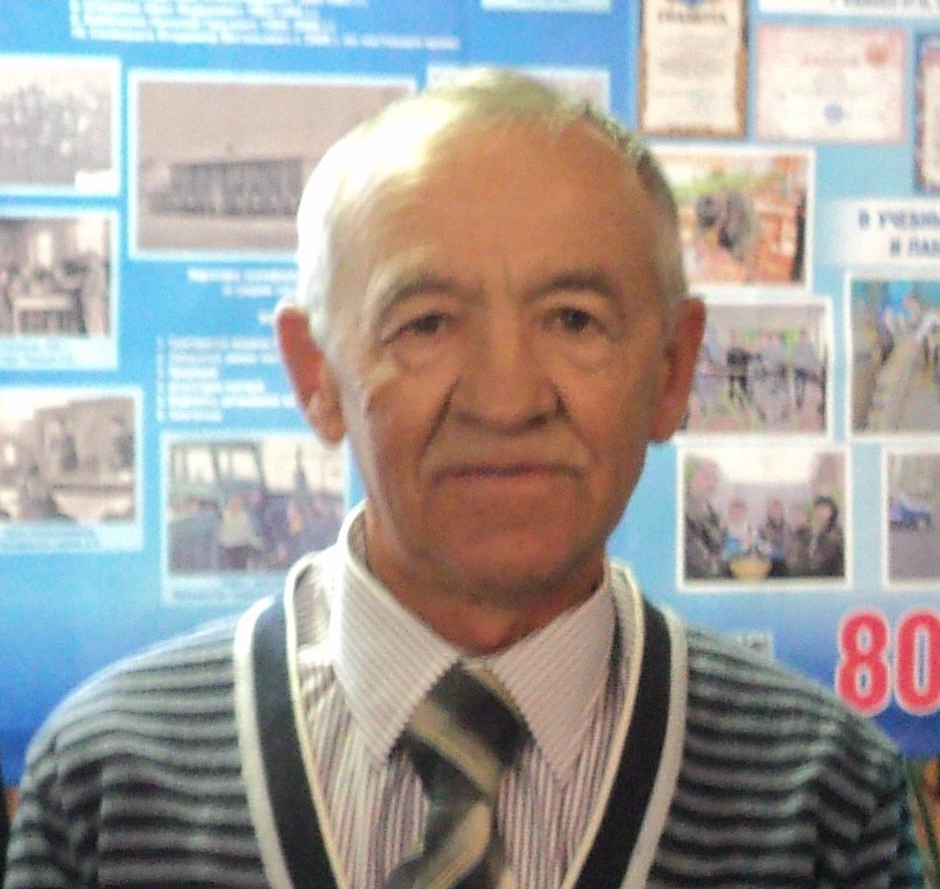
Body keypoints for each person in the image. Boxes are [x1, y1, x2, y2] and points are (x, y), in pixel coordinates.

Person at [5, 71, 923, 888]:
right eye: (428, 324)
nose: (506, 399)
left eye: (574, 319)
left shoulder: (821, 796)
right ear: (317, 375)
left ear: (673, 370)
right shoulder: (110, 783)